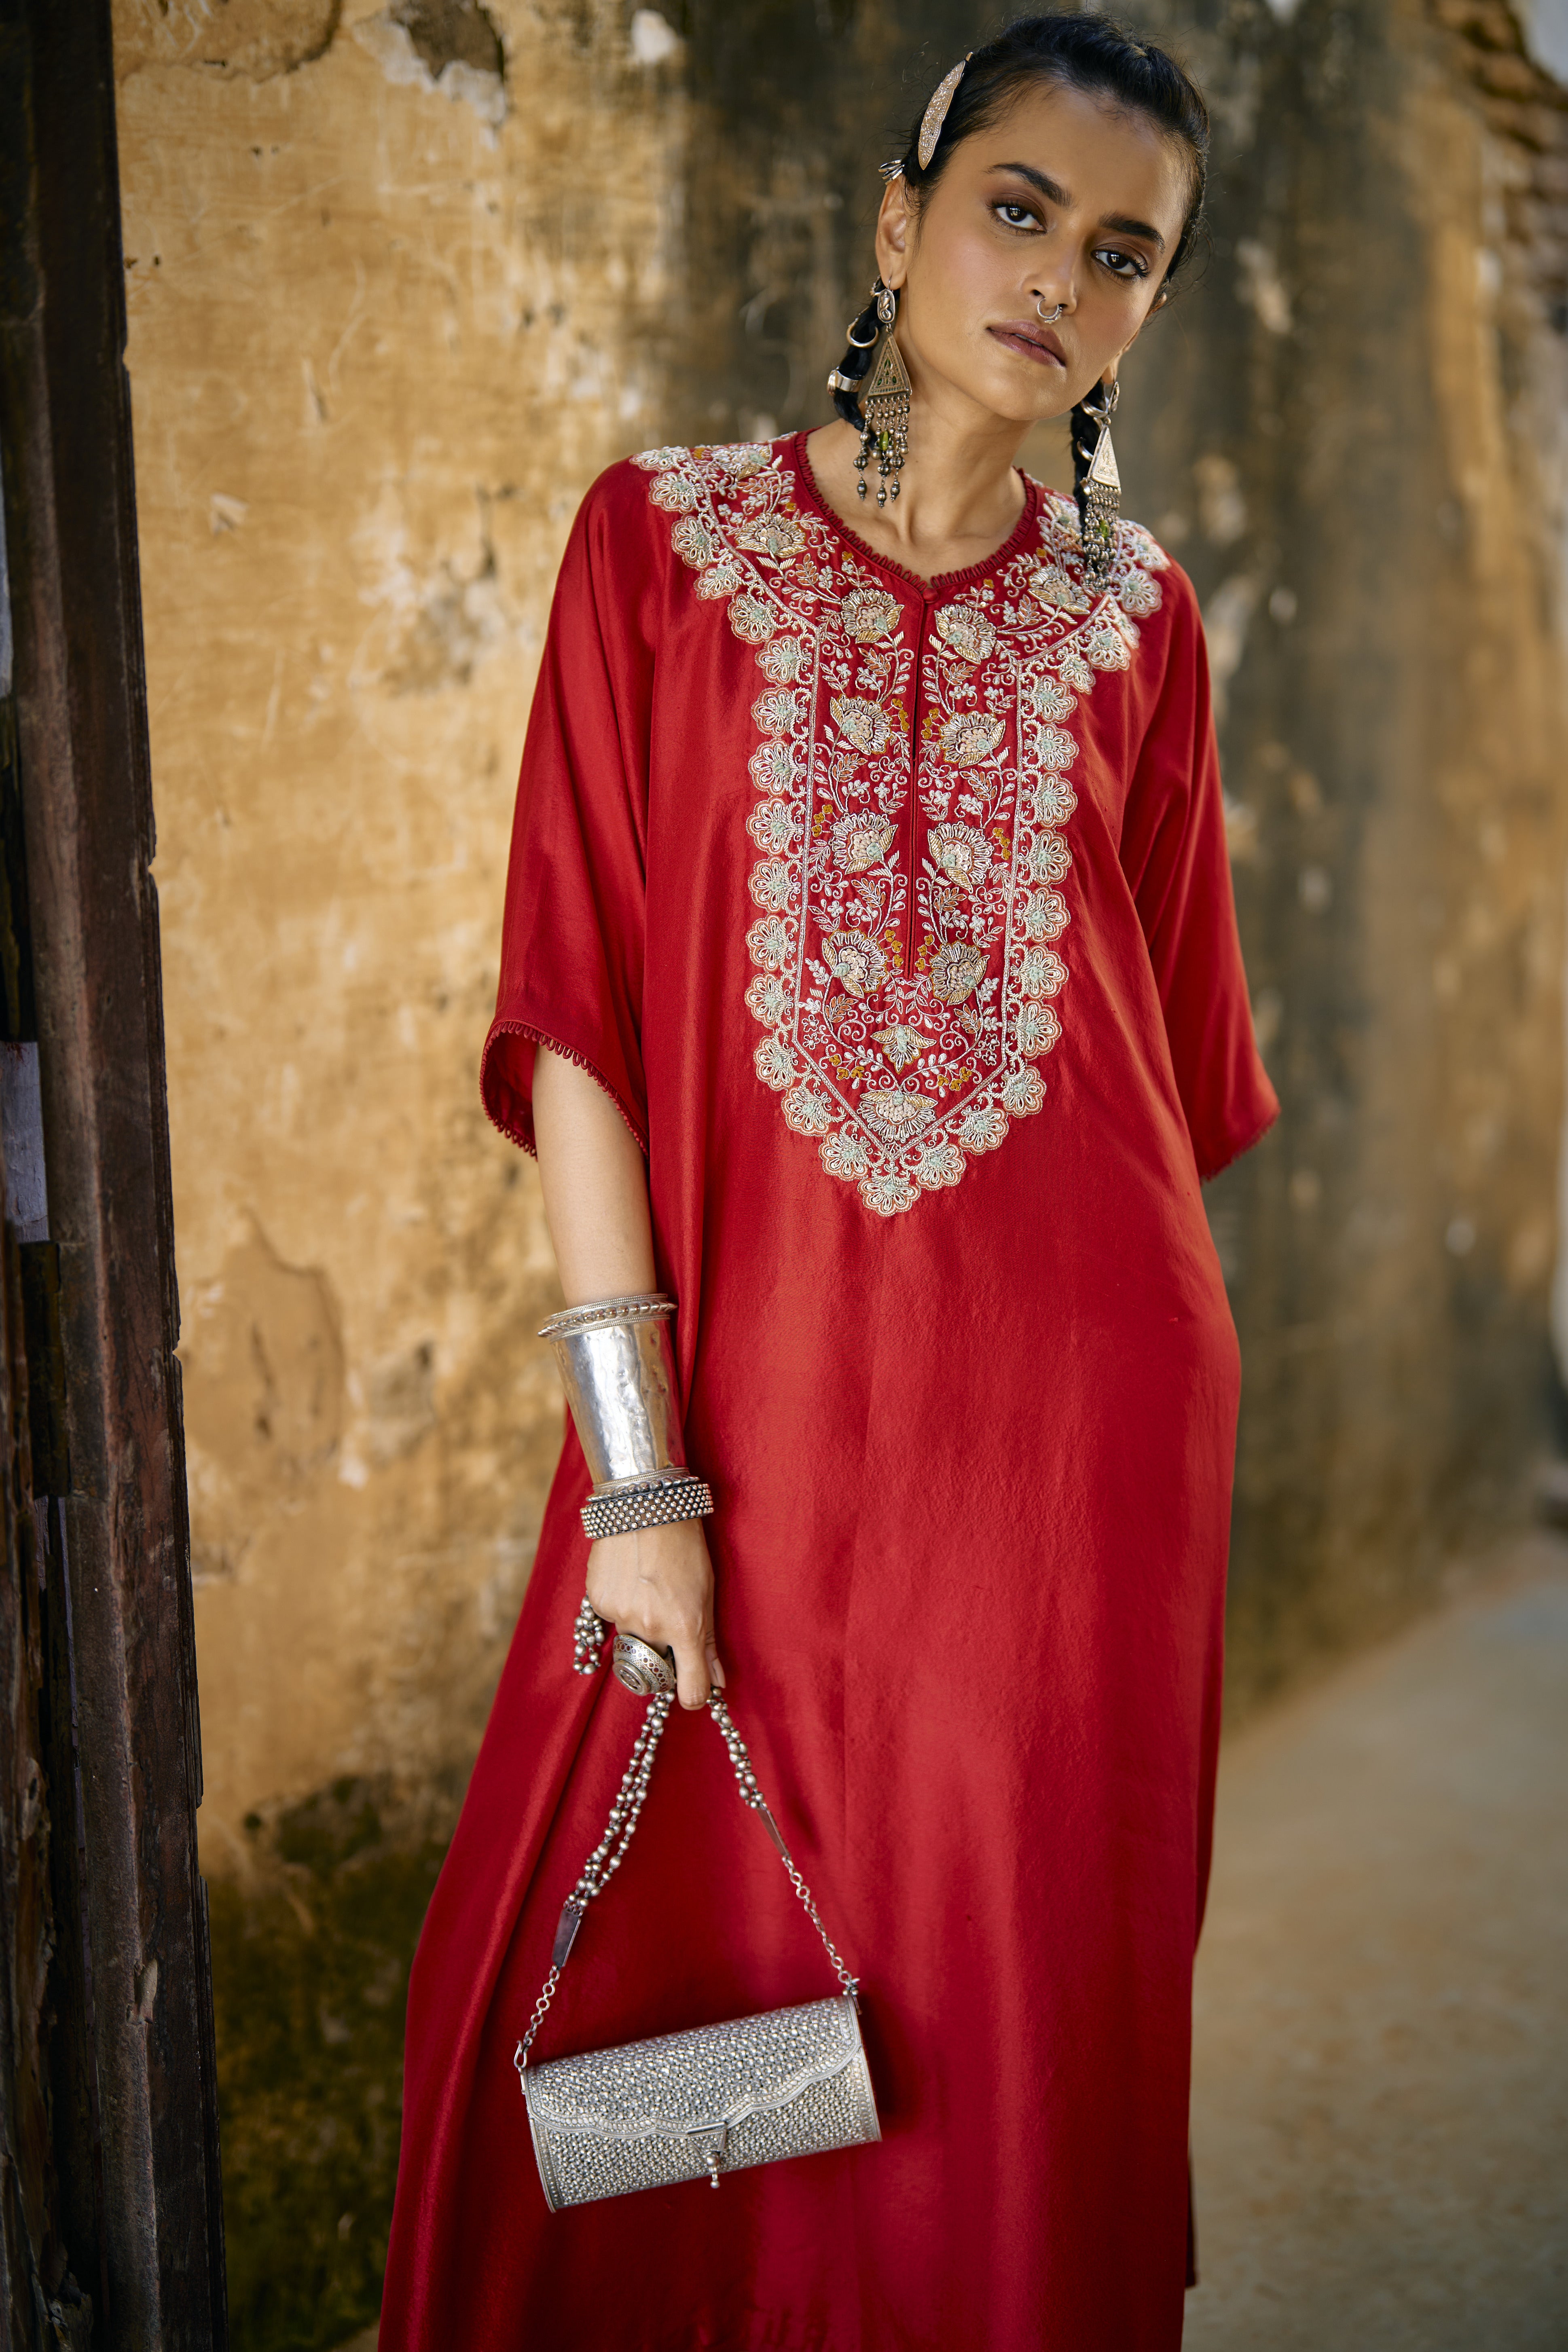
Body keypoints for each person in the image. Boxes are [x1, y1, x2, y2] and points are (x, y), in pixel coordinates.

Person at [379, 15, 1278, 2348]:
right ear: (898, 223)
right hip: (743, 1427)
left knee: (1004, 2010)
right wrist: (637, 1477)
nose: (1059, 278)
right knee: (616, 1979)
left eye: (1124, 253)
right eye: (1016, 208)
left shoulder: (1139, 626)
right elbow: (576, 1025)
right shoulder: (656, 549)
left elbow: (1167, 1077)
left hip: (1068, 1470)